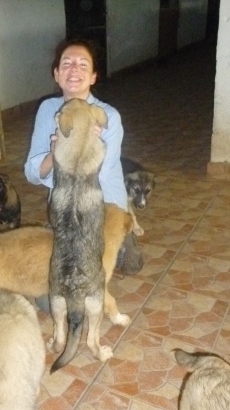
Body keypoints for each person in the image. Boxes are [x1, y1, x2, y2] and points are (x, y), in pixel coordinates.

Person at [24, 38, 143, 310]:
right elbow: (32, 172)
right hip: (66, 208)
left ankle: (123, 242)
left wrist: (87, 145)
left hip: (102, 205)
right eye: (66, 64)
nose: (74, 69)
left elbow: (100, 173)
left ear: (93, 77)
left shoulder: (107, 115)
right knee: (49, 300)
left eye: (82, 64)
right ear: (57, 74)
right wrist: (55, 154)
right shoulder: (47, 110)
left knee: (88, 289)